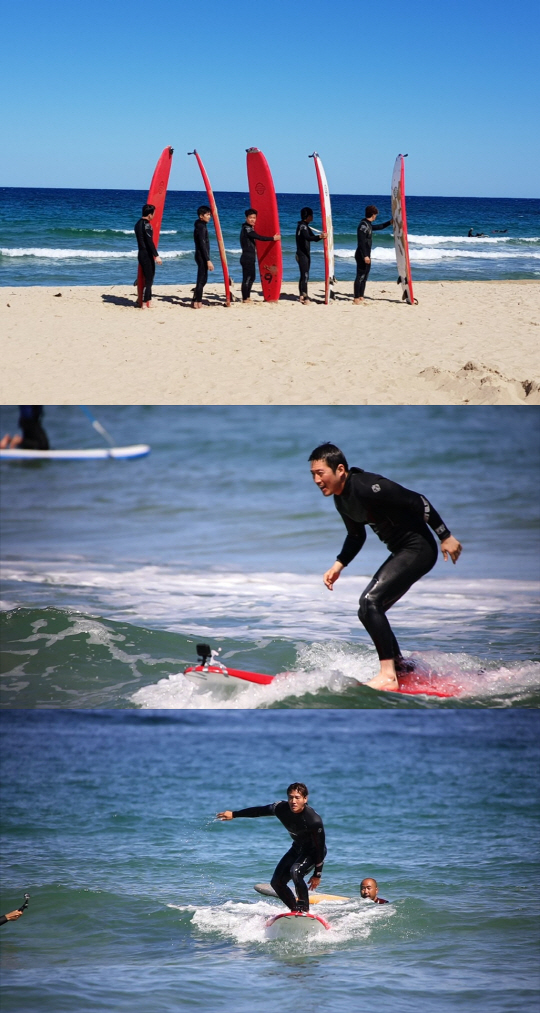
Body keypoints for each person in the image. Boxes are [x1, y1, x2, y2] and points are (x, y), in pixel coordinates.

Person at [309, 443, 462, 691]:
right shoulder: (341, 499)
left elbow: (418, 500)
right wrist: (339, 565)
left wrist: (445, 535)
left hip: (418, 549)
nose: (316, 479)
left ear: (340, 469)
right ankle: (400, 669)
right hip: (403, 551)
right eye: (313, 474)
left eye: (320, 473)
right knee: (368, 609)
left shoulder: (369, 486)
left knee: (370, 603)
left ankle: (388, 675)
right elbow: (356, 536)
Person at [217, 782, 326, 913]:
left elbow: (319, 848)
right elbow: (259, 811)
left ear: (305, 799)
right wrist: (234, 814)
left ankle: (304, 910)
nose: (293, 801)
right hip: (297, 848)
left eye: (297, 797)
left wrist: (317, 874)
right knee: (276, 883)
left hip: (313, 852)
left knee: (295, 872)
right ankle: (295, 911)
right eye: (290, 797)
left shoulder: (313, 820)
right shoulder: (281, 808)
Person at [240, 209, 280, 302]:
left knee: (252, 277)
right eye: (250, 218)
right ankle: (245, 298)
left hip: (250, 257)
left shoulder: (248, 228)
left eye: (254, 218)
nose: (253, 220)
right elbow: (258, 237)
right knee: (247, 278)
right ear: (246, 218)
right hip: (246, 257)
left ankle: (247, 297)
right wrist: (272, 238)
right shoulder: (247, 228)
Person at [354, 205, 392, 303]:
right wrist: (365, 256)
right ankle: (356, 297)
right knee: (360, 275)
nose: (376, 217)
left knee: (365, 275)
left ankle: (361, 295)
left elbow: (378, 227)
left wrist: (390, 222)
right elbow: (361, 242)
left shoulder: (368, 224)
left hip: (367, 254)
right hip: (362, 254)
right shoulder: (363, 225)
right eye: (375, 215)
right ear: (372, 214)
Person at [296, 207, 326, 304]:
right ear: (308, 216)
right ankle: (305, 297)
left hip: (303, 254)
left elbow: (313, 238)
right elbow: (308, 238)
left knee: (304, 275)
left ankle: (301, 295)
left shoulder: (304, 226)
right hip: (302, 255)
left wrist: (320, 237)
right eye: (312, 215)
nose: (313, 217)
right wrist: (320, 236)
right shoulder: (303, 227)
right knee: (305, 275)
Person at [134, 204, 162, 308]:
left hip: (140, 253)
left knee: (144, 276)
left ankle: (139, 299)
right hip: (146, 254)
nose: (154, 216)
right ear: (150, 215)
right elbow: (149, 242)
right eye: (153, 214)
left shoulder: (137, 224)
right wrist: (156, 256)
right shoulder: (147, 225)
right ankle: (145, 303)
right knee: (149, 278)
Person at [192, 205, 214, 308]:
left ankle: (196, 296)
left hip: (201, 255)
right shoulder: (200, 226)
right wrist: (208, 260)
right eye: (207, 214)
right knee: (201, 279)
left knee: (204, 279)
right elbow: (202, 244)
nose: (209, 216)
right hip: (201, 256)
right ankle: (198, 302)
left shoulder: (201, 225)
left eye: (210, 214)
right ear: (201, 216)